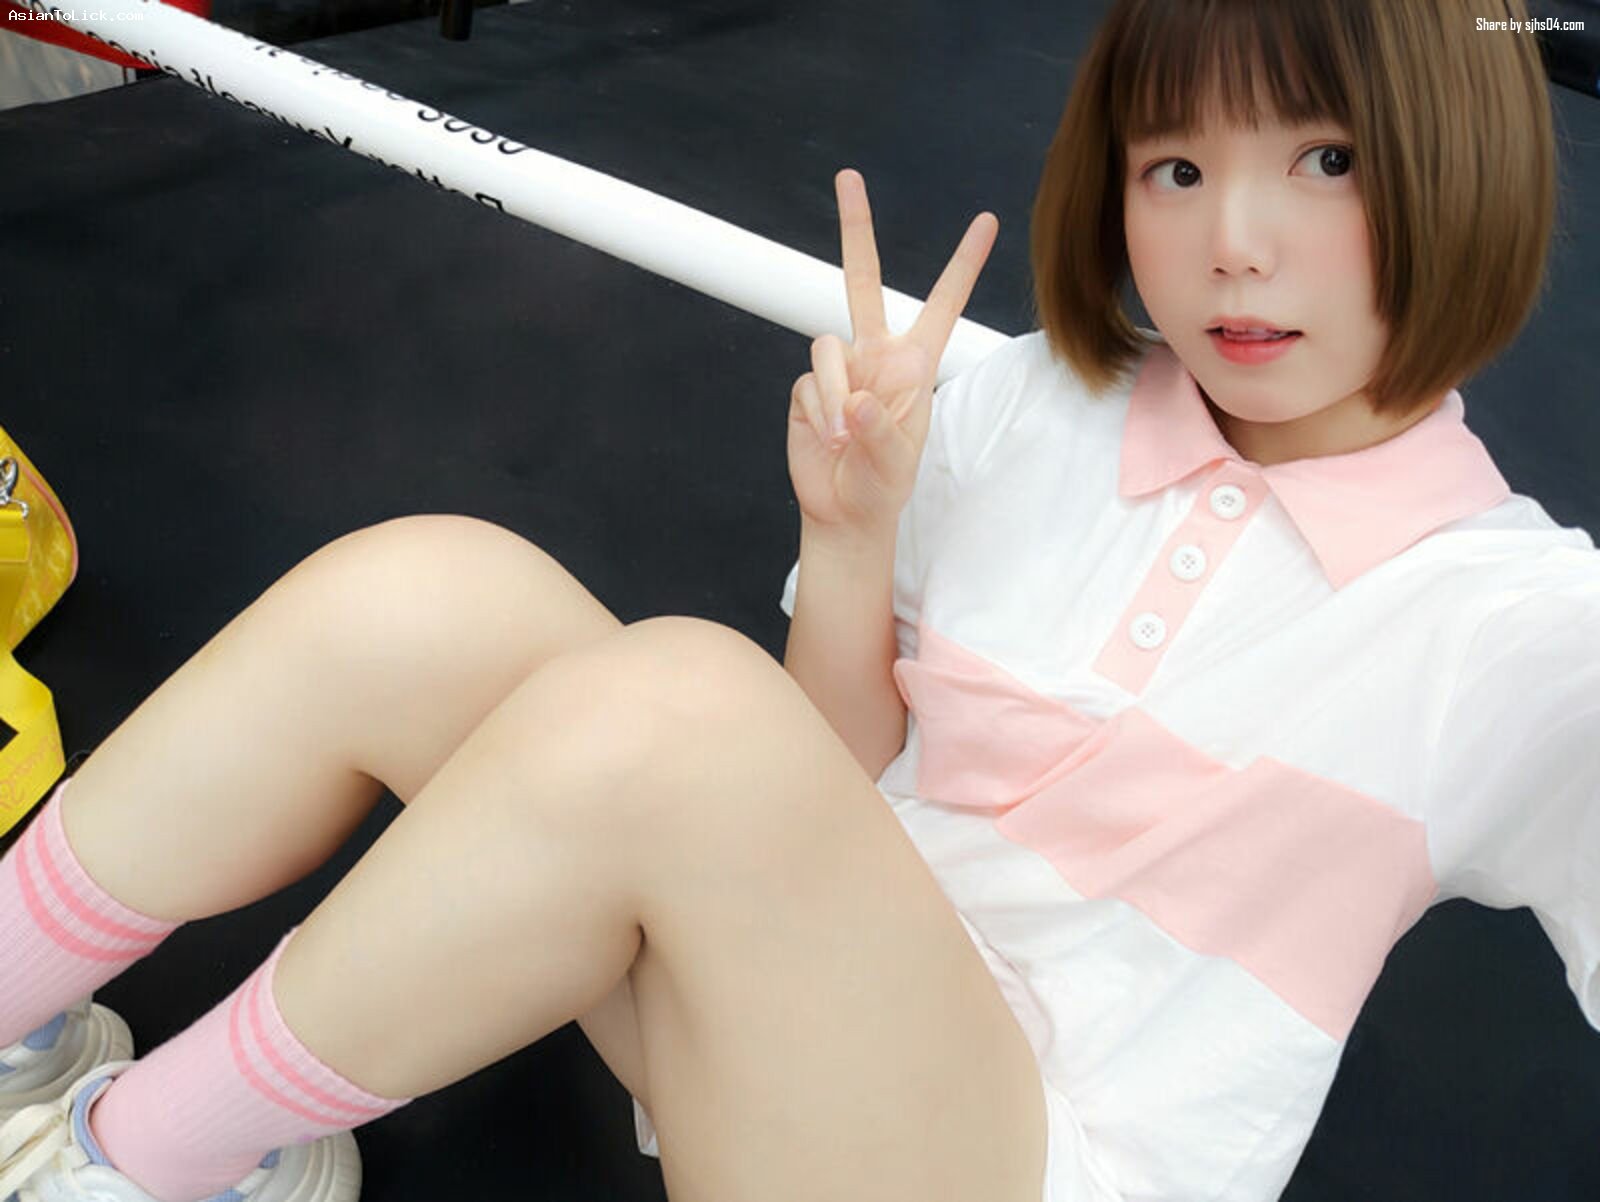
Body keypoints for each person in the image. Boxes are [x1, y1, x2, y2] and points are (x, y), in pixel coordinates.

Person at [1, 0, 1596, 1199]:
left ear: (1469, 163)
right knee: (430, 596)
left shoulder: (1522, 627)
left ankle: (129, 1165)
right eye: (1177, 166)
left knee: (684, 708)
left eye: (1325, 161)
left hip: (1019, 1163)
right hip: (788, 1043)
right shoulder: (1029, 407)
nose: (1233, 245)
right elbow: (824, 791)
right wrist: (852, 536)